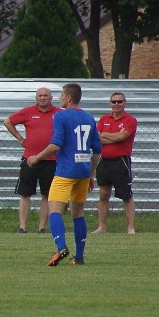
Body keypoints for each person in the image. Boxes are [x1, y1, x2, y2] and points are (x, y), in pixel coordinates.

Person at [27, 83, 101, 266]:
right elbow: (97, 150)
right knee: (78, 213)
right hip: (83, 171)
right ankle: (80, 257)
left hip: (66, 171)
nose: (60, 98)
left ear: (68, 98)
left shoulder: (61, 116)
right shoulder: (89, 117)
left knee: (54, 210)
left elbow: (56, 144)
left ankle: (61, 247)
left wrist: (37, 157)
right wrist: (91, 174)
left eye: (61, 95)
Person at [3, 87, 61, 233]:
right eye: (40, 96)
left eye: (45, 96)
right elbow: (8, 122)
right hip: (29, 159)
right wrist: (20, 138)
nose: (43, 98)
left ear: (51, 98)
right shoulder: (28, 112)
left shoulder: (59, 113)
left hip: (51, 159)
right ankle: (22, 227)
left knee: (47, 195)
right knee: (25, 193)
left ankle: (42, 227)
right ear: (36, 98)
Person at [93, 92, 137, 234]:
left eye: (119, 101)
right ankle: (101, 227)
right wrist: (114, 137)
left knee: (126, 195)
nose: (116, 104)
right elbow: (97, 138)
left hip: (121, 161)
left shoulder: (130, 120)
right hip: (104, 161)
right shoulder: (104, 119)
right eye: (114, 102)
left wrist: (106, 135)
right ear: (109, 103)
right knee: (103, 194)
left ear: (125, 103)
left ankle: (130, 227)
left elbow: (122, 137)